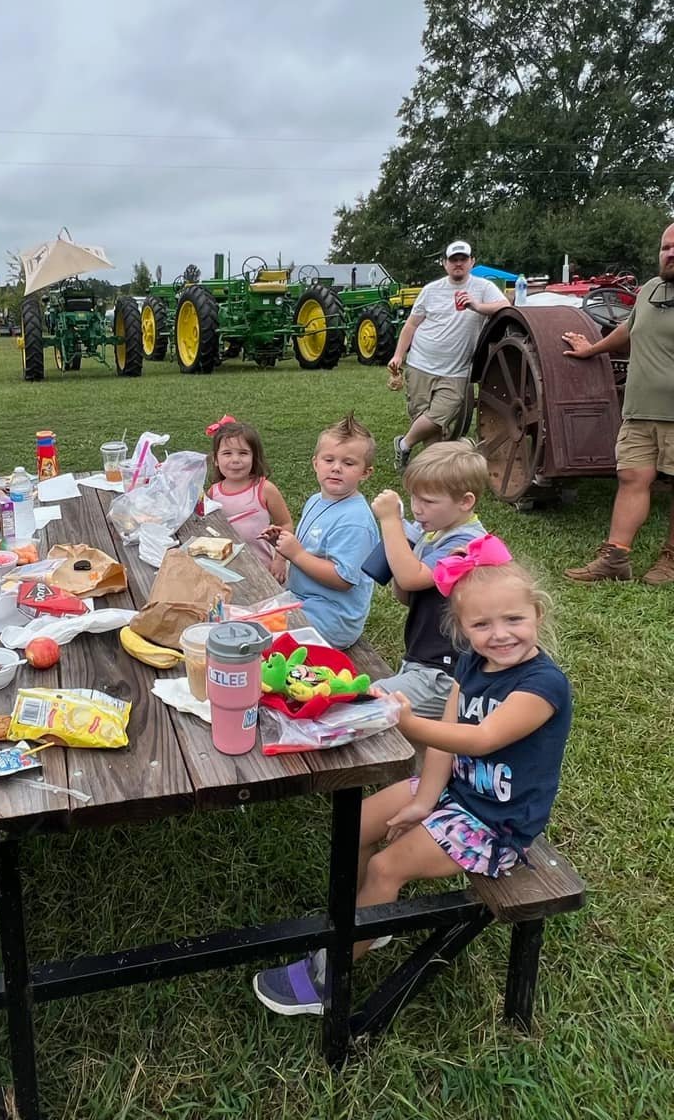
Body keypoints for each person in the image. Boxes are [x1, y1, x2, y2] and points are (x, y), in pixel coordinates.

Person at [252, 542, 572, 1015]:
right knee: (357, 824)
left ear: (537, 615)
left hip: (497, 823)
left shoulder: (542, 685)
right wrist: (425, 798)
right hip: (454, 791)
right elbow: (445, 739)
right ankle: (367, 920)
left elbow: (481, 739)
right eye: (481, 625)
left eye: (514, 620)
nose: (500, 635)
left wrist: (399, 717)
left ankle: (329, 976)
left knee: (387, 867)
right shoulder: (471, 663)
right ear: (461, 630)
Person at [562, 223, 674, 585]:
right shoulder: (652, 291)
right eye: (665, 247)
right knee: (631, 478)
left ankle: (670, 562)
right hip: (640, 410)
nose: (670, 254)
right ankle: (615, 559)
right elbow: (629, 330)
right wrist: (592, 349)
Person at [369, 440, 489, 719]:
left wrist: (390, 523)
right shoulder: (434, 533)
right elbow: (406, 595)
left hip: (446, 675)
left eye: (429, 501)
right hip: (422, 662)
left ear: (465, 502)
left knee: (369, 705)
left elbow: (411, 578)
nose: (417, 509)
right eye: (413, 498)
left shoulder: (467, 543)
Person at [388, 241, 508, 472]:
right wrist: (398, 355)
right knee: (423, 417)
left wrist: (477, 306)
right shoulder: (431, 290)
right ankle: (432, 469)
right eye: (454, 259)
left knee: (438, 417)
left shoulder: (483, 288)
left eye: (463, 259)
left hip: (456, 370)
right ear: (445, 264)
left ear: (472, 262)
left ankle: (403, 444)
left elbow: (504, 305)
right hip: (421, 363)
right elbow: (411, 325)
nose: (459, 263)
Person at [263, 413, 378, 648]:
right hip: (303, 601)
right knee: (246, 618)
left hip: (333, 618)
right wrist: (284, 542)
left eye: (348, 463)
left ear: (365, 472)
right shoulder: (316, 500)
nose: (336, 468)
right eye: (329, 460)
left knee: (257, 641)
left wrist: (297, 555)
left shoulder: (355, 520)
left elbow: (343, 579)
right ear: (315, 463)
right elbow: (313, 548)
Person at [204, 415, 293, 579]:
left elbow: (285, 524)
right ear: (216, 459)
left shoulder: (265, 489)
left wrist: (280, 559)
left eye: (243, 453)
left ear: (254, 457)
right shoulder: (212, 493)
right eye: (227, 453)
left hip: (263, 570)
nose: (235, 460)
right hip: (225, 572)